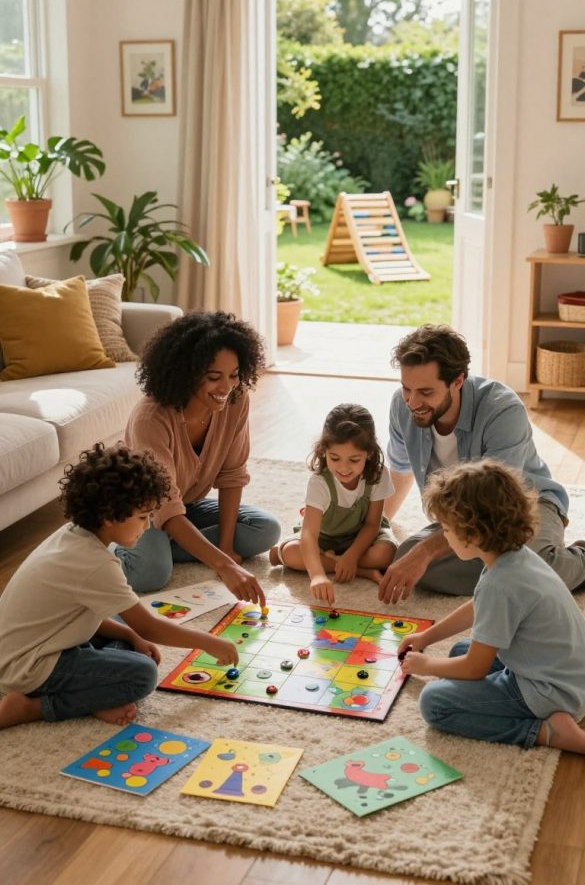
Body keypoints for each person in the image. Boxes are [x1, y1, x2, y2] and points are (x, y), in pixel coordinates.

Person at [0, 444, 238, 730]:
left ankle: (93, 695)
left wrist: (130, 634)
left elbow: (99, 617)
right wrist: (207, 642)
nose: (149, 526)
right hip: (26, 668)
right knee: (141, 675)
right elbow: (149, 627)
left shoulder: (76, 535)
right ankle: (33, 707)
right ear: (109, 516)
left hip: (36, 643)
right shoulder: (94, 563)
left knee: (126, 625)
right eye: (142, 517)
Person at [378, 324, 585, 605]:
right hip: (458, 521)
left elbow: (493, 506)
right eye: (406, 388)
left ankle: (570, 560)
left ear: (458, 381)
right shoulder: (402, 406)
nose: (412, 402)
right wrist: (377, 525)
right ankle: (509, 574)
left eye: (426, 392)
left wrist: (427, 551)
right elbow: (399, 469)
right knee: (404, 557)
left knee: (529, 572)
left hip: (520, 507)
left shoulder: (503, 410)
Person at [399, 460, 585, 753]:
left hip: (551, 692)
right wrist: (426, 637)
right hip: (570, 673)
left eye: (446, 529)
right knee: (459, 651)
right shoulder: (515, 556)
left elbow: (475, 668)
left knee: (434, 703)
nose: (444, 536)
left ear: (472, 534)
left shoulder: (501, 583)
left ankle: (546, 732)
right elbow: (479, 607)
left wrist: (427, 665)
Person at [118, 310, 281, 600]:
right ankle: (111, 541)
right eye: (214, 377)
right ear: (186, 373)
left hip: (186, 504)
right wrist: (225, 565)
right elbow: (164, 506)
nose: (227, 387)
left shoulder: (235, 398)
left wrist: (227, 548)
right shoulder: (150, 419)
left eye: (233, 375)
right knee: (151, 573)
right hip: (138, 510)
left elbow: (232, 475)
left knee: (266, 530)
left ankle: (169, 544)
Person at [269, 403, 396, 605]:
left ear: (369, 453)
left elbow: (373, 524)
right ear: (323, 450)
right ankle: (360, 571)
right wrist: (318, 576)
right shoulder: (320, 482)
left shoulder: (379, 475)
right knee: (292, 552)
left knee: (387, 553)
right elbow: (309, 533)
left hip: (362, 538)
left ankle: (335, 562)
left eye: (354, 460)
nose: (343, 468)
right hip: (324, 539)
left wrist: (353, 555)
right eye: (335, 458)